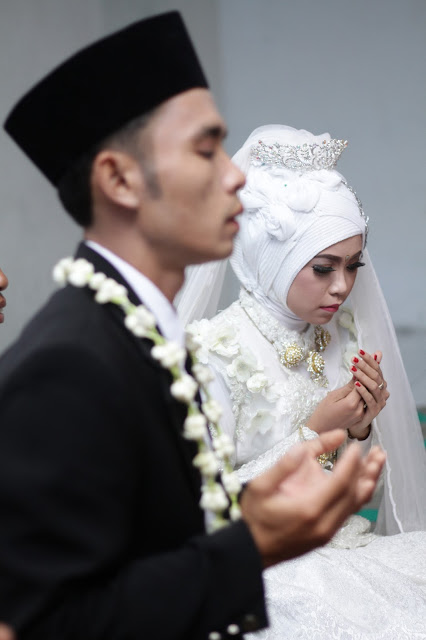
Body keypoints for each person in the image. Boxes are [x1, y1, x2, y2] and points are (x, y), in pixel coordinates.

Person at [0, 17, 384, 640]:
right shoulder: (67, 363)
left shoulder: (141, 334)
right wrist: (252, 545)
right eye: (206, 151)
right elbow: (49, 622)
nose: (236, 176)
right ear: (120, 180)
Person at [181, 124, 426, 638]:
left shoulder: (343, 335)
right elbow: (200, 512)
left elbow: (360, 492)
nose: (342, 286)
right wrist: (313, 434)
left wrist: (359, 430)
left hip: (345, 546)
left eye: (353, 266)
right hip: (265, 564)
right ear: (270, 257)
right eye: (323, 268)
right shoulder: (215, 351)